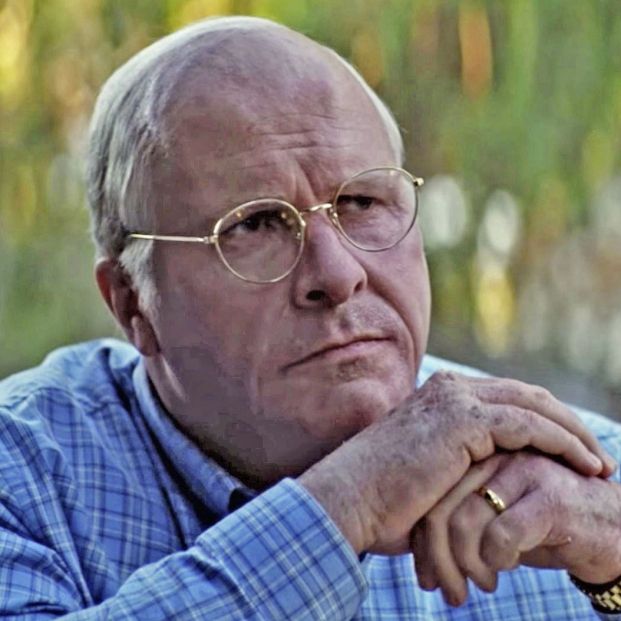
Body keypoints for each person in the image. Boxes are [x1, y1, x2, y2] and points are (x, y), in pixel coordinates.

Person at [1, 16, 620, 620]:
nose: (339, 274)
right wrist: (350, 501)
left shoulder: (580, 477)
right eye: (254, 224)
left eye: (362, 202)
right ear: (132, 302)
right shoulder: (22, 484)